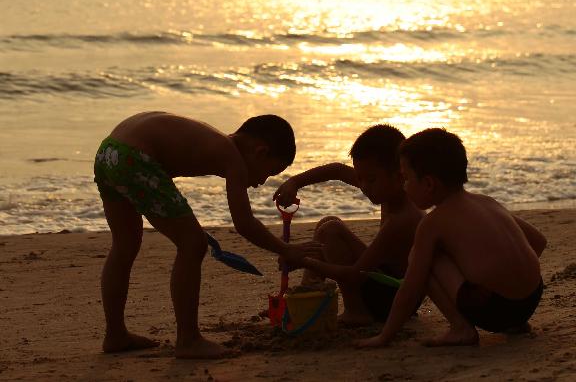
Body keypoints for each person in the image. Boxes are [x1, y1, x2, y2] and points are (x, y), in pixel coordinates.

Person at [94, 111, 318, 359]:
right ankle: (188, 339)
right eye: (269, 172)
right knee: (192, 244)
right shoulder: (231, 156)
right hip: (134, 157)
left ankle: (115, 334)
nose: (261, 182)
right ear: (260, 152)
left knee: (125, 245)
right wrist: (286, 249)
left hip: (109, 152)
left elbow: (163, 168)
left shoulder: (214, 141)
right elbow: (244, 223)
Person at [357, 128, 547, 349]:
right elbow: (538, 241)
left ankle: (461, 328)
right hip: (531, 298)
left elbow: (411, 285)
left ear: (428, 184)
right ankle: (516, 323)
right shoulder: (486, 201)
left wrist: (384, 336)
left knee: (420, 258)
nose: (404, 187)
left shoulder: (432, 223)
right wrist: (509, 277)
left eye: (406, 179)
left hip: (495, 309)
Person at [274, 124, 423, 325]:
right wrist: (294, 182)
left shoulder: (403, 217)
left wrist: (303, 261)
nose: (363, 186)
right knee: (327, 223)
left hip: (394, 298)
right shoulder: (386, 188)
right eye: (360, 178)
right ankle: (310, 294)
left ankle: (357, 311)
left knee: (331, 231)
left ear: (400, 175)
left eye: (370, 180)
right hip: (384, 280)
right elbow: (336, 170)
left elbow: (355, 273)